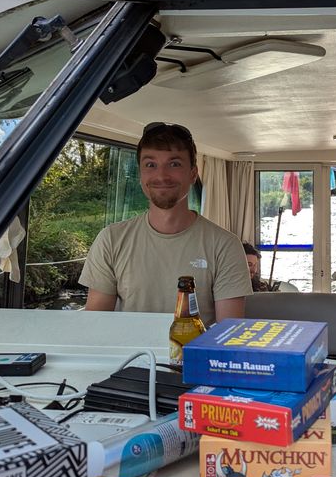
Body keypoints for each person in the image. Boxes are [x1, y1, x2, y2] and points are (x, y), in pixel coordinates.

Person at [80, 122, 252, 325]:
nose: (161, 175)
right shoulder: (110, 240)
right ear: (141, 174)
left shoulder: (225, 245)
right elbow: (96, 326)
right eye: (150, 165)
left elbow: (227, 336)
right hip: (130, 357)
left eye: (174, 164)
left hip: (192, 357)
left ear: (193, 174)